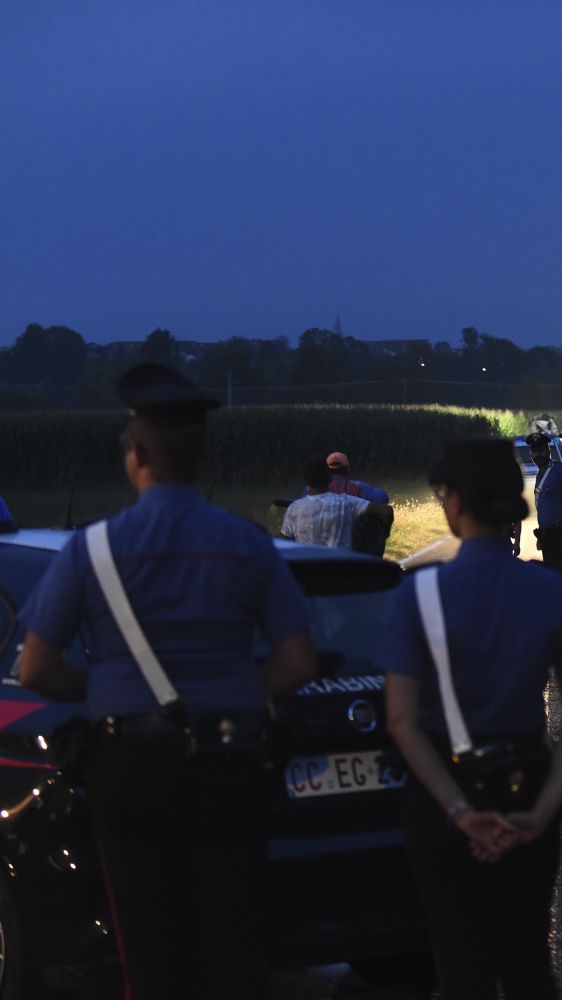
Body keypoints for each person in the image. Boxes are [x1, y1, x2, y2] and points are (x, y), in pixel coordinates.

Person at [17, 363, 317, 1000]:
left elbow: (35, 667)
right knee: (235, 946)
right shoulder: (247, 544)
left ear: (137, 455)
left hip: (131, 763)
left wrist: (104, 687)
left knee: (150, 954)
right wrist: (238, 686)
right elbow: (297, 664)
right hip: (230, 759)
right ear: (203, 454)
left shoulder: (91, 549)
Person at [378, 437, 562, 1000]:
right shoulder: (550, 590)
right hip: (528, 782)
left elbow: (402, 722)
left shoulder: (417, 593)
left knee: (461, 963)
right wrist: (539, 812)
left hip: (442, 791)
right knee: (529, 958)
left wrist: (461, 812)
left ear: (452, 501)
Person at [281, 454, 384, 550]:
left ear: (305, 481)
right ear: (347, 470)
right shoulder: (357, 490)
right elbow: (382, 498)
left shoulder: (299, 503)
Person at [325, 452, 394, 552]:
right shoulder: (359, 487)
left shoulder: (315, 490)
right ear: (347, 470)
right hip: (355, 542)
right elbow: (383, 498)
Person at [527, 430, 562, 568]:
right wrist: (542, 536)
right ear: (531, 455)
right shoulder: (539, 476)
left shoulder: (558, 470)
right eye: (535, 451)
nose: (538, 454)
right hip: (548, 537)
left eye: (541, 450)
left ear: (548, 451)